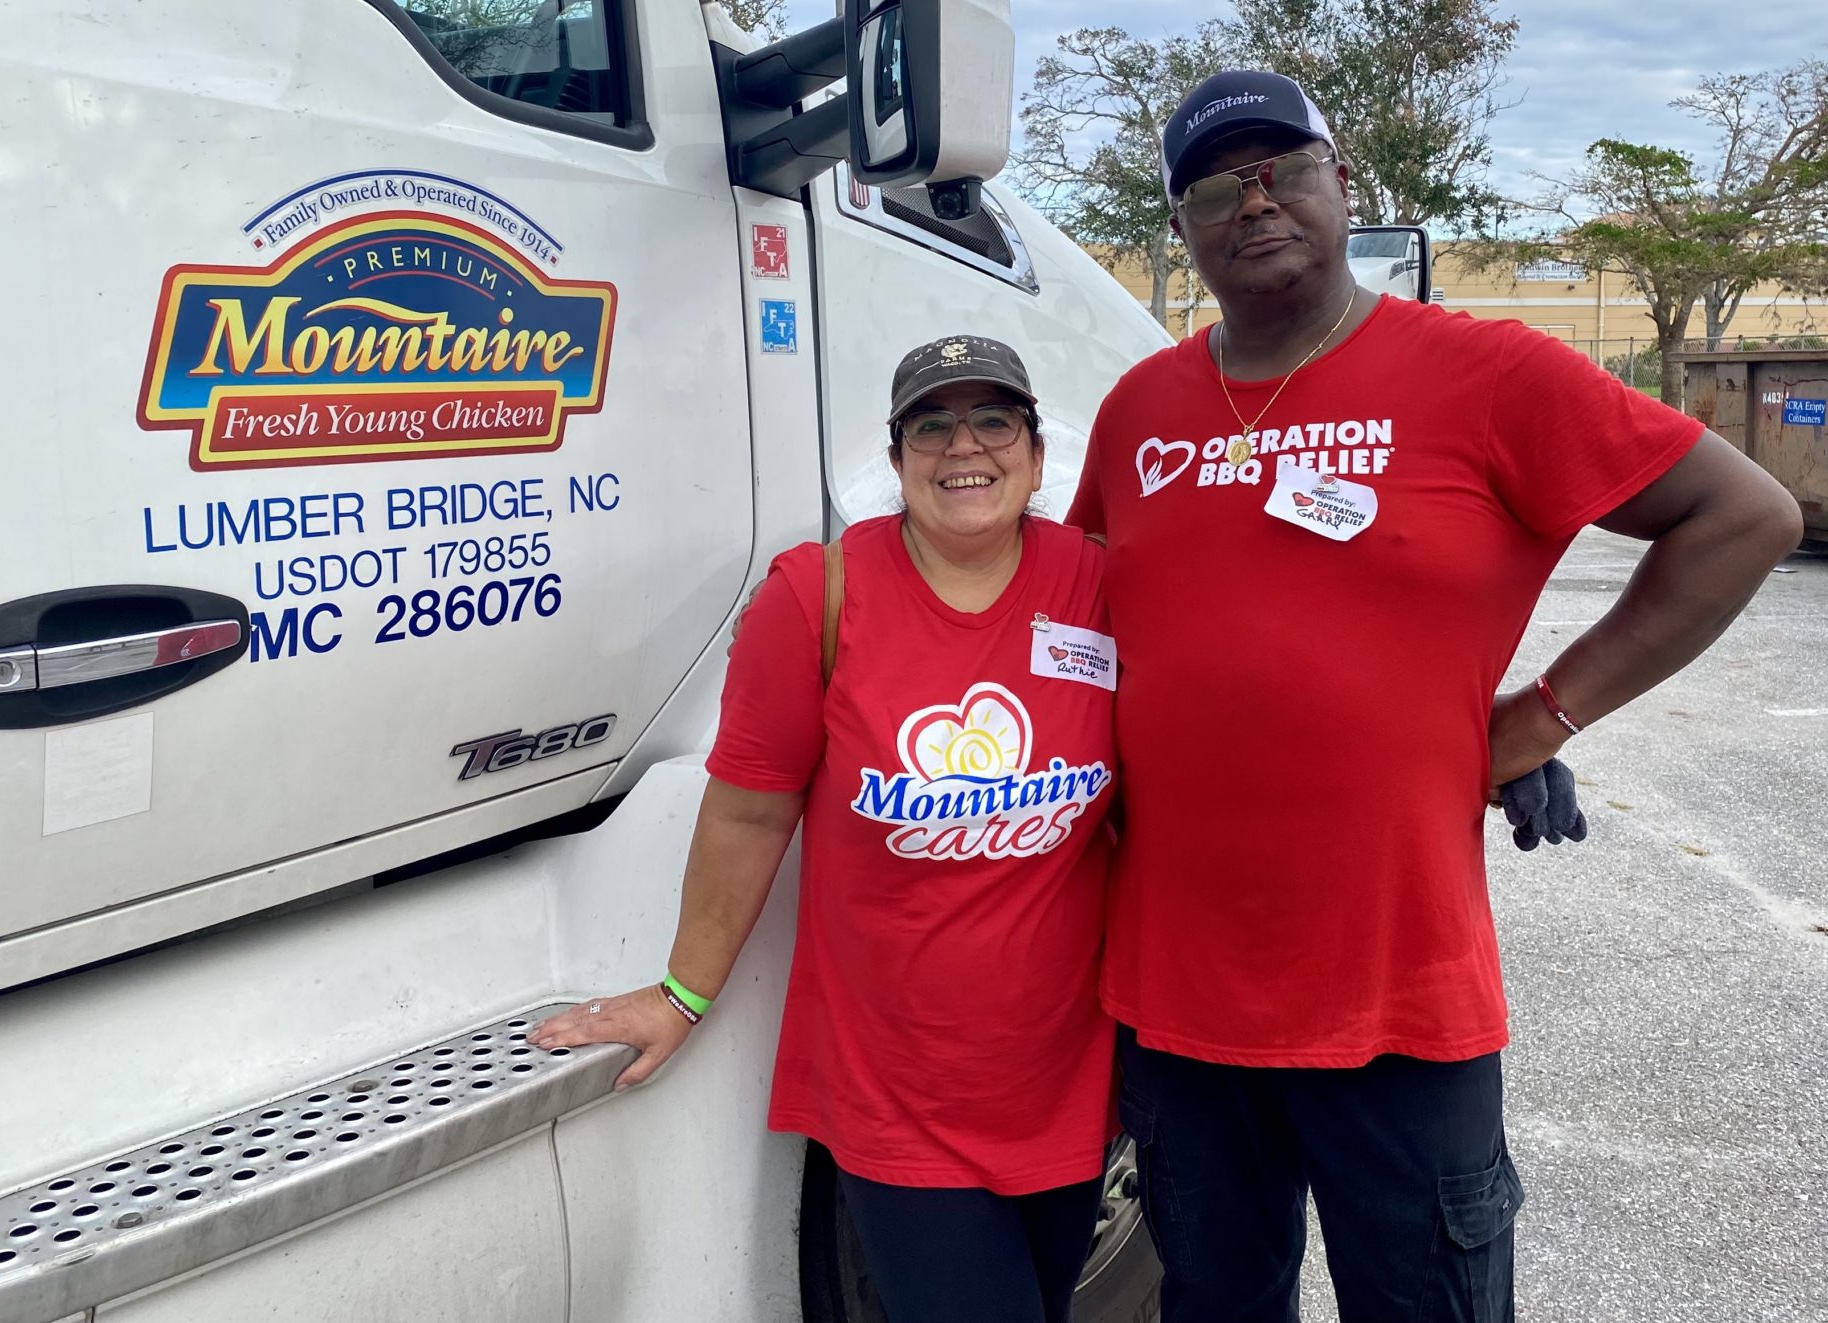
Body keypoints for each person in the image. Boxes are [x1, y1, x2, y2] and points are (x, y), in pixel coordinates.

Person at [1067, 69, 1801, 1323]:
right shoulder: (1141, 410)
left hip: (1393, 999)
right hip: (1175, 1001)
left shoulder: (1487, 375)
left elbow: (1743, 516)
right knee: (1208, 1302)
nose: (1252, 202)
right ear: (1177, 225)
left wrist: (1539, 714)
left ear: (1340, 179)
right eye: (1211, 185)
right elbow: (1075, 636)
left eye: (1278, 168)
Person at [535, 335, 1122, 1323]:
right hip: (901, 1093)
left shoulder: (1099, 586)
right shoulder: (819, 595)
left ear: (1032, 453)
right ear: (894, 463)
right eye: (929, 424)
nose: (960, 445)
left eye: (991, 420)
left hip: (1069, 1080)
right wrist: (681, 992)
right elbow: (749, 807)